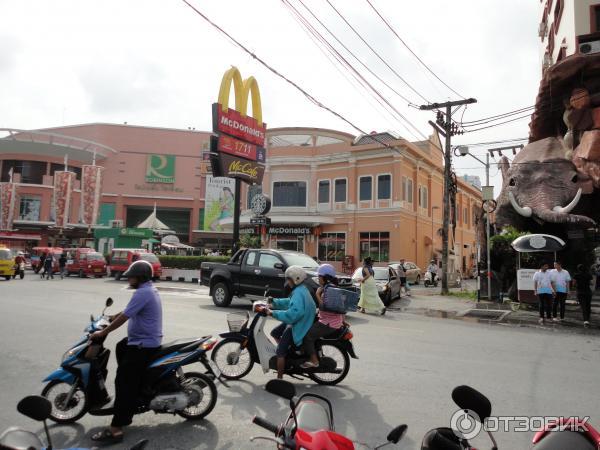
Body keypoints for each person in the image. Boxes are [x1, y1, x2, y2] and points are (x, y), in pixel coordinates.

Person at [90, 260, 163, 445]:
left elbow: (125, 317)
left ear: (141, 277)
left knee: (124, 382)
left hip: (143, 345)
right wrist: (110, 316)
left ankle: (116, 429)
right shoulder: (147, 289)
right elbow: (128, 311)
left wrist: (103, 331)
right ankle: (136, 391)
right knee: (121, 346)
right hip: (141, 342)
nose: (128, 278)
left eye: (131, 275)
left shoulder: (143, 292)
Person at [260, 266, 316, 379]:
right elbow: (290, 302)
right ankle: (289, 352)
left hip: (299, 324)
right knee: (275, 333)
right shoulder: (300, 290)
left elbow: (292, 315)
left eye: (288, 279)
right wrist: (274, 302)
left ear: (296, 279)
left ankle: (280, 378)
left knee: (280, 351)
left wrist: (272, 313)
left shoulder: (299, 293)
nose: (287, 282)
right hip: (300, 321)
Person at [301, 264, 345, 369]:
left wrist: (317, 295)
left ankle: (314, 361)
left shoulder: (329, 290)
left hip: (328, 323)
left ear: (325, 277)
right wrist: (342, 320)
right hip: (331, 321)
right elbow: (339, 307)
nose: (318, 279)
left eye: (320, 277)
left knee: (307, 337)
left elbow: (325, 307)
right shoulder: (332, 288)